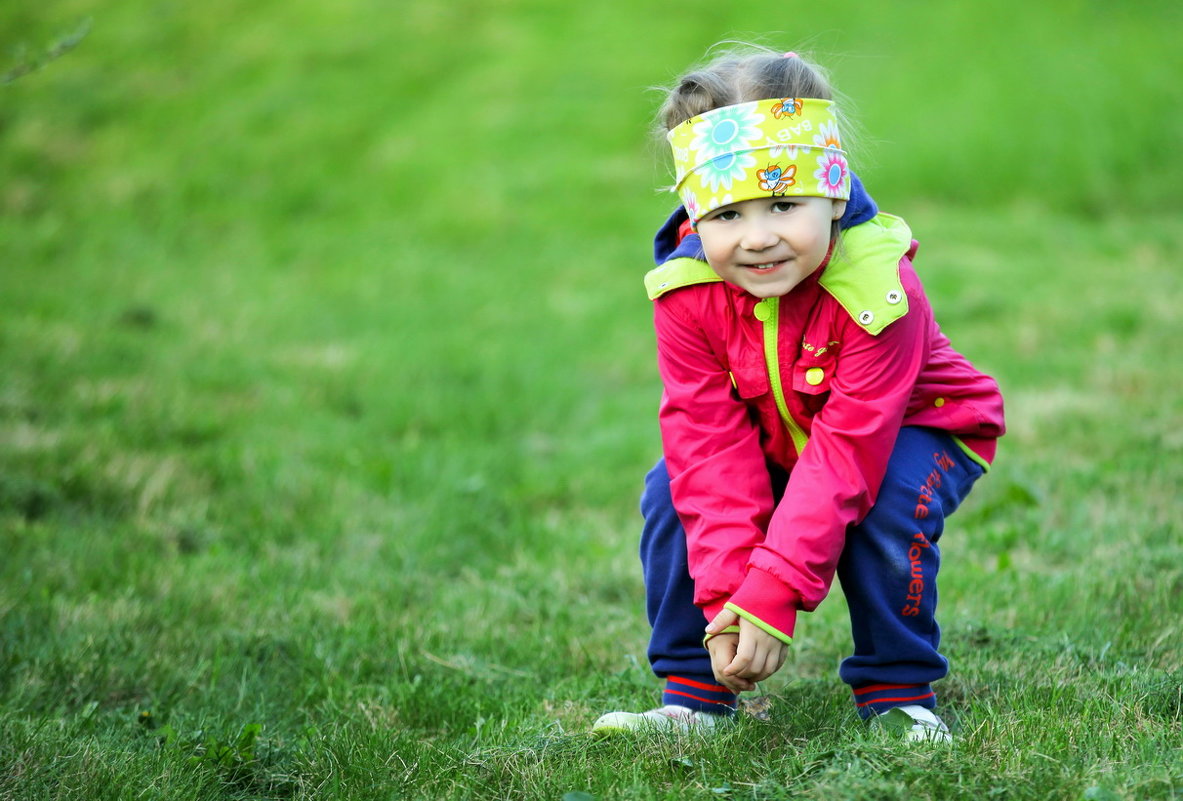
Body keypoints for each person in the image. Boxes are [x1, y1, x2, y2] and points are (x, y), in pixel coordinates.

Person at [592, 46, 1005, 742]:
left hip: (914, 428)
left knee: (883, 501)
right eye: (725, 215)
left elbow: (846, 456)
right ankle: (695, 695)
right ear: (694, 217)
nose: (757, 239)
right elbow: (707, 443)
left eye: (783, 203)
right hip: (786, 433)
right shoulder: (687, 293)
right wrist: (733, 597)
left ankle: (897, 690)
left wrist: (774, 591)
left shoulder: (878, 291)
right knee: (671, 490)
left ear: (834, 191)